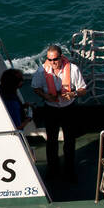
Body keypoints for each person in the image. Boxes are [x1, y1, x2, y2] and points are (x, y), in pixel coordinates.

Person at [31, 44, 87, 181]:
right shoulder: (41, 71)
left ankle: (69, 170)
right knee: (51, 141)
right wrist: (45, 96)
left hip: (68, 109)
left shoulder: (73, 70)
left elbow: (83, 89)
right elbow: (35, 88)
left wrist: (73, 94)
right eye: (49, 60)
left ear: (61, 57)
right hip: (51, 109)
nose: (53, 63)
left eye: (55, 59)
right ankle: (52, 170)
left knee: (69, 140)